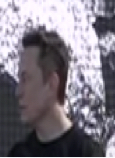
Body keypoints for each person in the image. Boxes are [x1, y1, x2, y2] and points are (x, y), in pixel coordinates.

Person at [8, 28, 105, 157]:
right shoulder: (19, 154)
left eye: (25, 79)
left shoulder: (87, 153)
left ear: (51, 84)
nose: (18, 91)